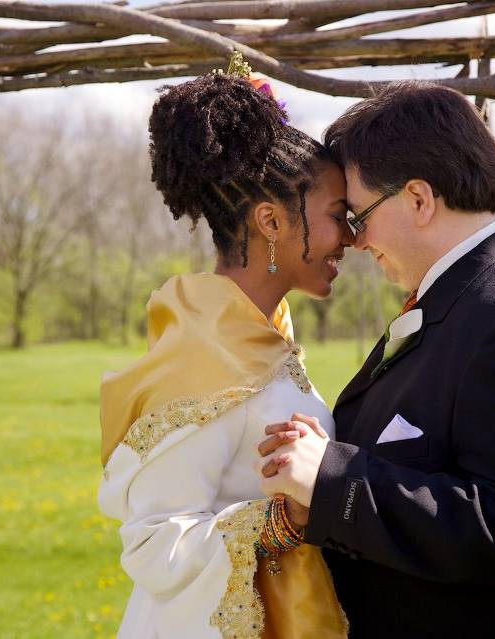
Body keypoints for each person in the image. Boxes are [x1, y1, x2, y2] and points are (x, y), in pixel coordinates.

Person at [256, 81, 495, 638]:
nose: (354, 242)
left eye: (358, 217)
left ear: (419, 199)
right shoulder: (467, 297)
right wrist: (332, 467)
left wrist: (336, 481)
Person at [98, 54, 353, 639]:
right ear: (270, 220)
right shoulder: (204, 353)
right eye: (338, 217)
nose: (351, 238)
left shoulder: (265, 337)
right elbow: (154, 541)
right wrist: (283, 520)